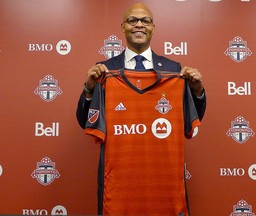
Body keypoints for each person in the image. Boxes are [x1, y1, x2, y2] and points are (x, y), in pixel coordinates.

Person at [76, 3, 206, 215]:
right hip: (120, 185)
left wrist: (197, 90)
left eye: (145, 21)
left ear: (153, 27)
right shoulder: (104, 70)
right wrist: (89, 88)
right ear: (123, 27)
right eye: (132, 20)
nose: (139, 25)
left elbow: (190, 121)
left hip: (163, 183)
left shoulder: (174, 69)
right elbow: (85, 121)